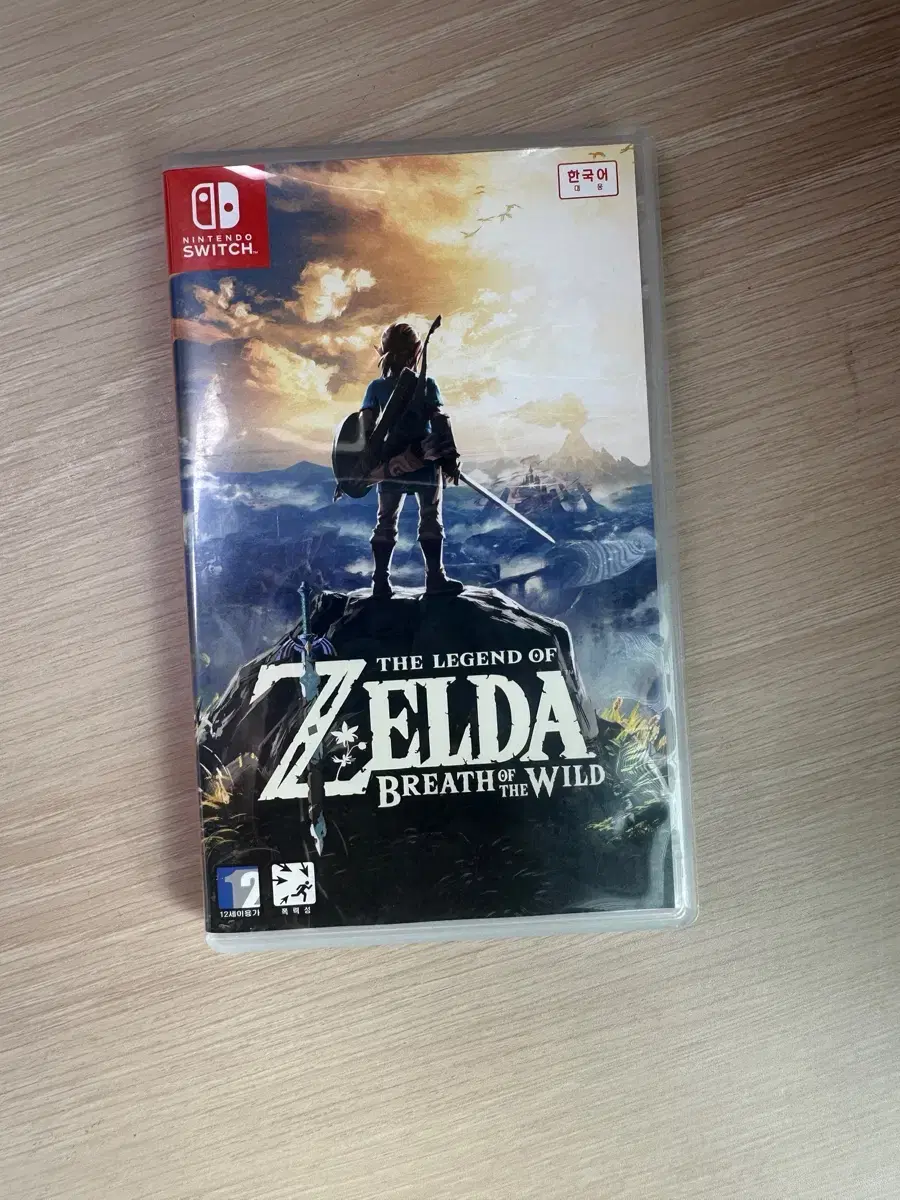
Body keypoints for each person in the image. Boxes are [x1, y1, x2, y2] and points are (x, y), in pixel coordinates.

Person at [360, 321, 463, 598]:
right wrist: (449, 457)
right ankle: (435, 578)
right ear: (416, 351)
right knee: (430, 518)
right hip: (424, 461)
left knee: (386, 521)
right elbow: (439, 420)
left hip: (391, 465)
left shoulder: (375, 387)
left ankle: (380, 582)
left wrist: (368, 463)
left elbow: (364, 428)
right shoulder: (426, 384)